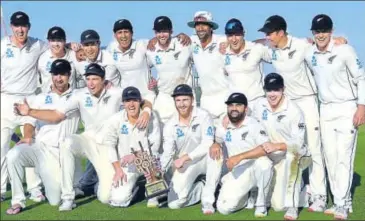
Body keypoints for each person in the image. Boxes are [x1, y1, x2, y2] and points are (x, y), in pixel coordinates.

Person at [13, 63, 153, 211]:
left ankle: (129, 183)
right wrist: (29, 112)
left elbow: (144, 98)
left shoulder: (116, 92)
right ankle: (68, 197)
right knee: (67, 143)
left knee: (105, 198)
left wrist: (146, 111)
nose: (91, 83)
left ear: (103, 80)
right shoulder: (79, 95)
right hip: (87, 140)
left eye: (95, 79)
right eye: (88, 79)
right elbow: (56, 115)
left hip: (107, 147)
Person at [305, 14, 365, 220]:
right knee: (330, 157)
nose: (321, 35)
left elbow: (361, 77)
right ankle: (341, 200)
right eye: (317, 31)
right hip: (326, 110)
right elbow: (282, 44)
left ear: (331, 31)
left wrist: (361, 106)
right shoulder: (309, 51)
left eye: (324, 31)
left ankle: (342, 203)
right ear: (312, 33)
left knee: (343, 157)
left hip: (347, 108)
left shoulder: (345, 50)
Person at [6, 59, 83, 215]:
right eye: (55, 74)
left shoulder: (77, 95)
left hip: (64, 152)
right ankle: (17, 201)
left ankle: (67, 185)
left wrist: (107, 83)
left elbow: (55, 116)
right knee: (13, 154)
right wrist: (27, 136)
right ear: (51, 75)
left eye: (62, 74)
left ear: (69, 75)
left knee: (55, 200)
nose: (58, 78)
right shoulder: (40, 98)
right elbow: (29, 122)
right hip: (41, 149)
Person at [1, 11, 50, 203]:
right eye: (16, 26)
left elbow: (57, 47)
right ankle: (1, 188)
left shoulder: (37, 45)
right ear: (12, 27)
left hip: (28, 101)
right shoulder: (3, 45)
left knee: (29, 143)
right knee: (1, 146)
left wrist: (72, 45)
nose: (20, 29)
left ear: (28, 27)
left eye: (23, 26)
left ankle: (34, 188)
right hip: (5, 100)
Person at [250, 73, 312, 220]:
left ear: (283, 89)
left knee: (281, 205)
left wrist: (277, 145)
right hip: (270, 155)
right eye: (269, 90)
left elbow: (298, 143)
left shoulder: (294, 110)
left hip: (292, 154)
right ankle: (257, 192)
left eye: (276, 90)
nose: (272, 94)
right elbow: (250, 123)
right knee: (276, 204)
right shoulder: (259, 105)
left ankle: (297, 201)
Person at [208, 92, 273, 217]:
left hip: (255, 167)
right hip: (238, 172)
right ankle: (246, 196)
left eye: (238, 105)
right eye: (231, 105)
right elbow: (218, 139)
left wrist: (240, 157)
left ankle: (261, 203)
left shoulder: (254, 124)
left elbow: (265, 149)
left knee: (265, 163)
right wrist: (215, 143)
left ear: (246, 108)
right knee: (223, 208)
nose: (234, 108)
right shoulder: (224, 126)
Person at [157, 84, 217, 211]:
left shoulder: (204, 115)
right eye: (178, 100)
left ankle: (208, 201)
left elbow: (208, 142)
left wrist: (186, 157)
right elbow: (168, 152)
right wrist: (159, 171)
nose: (181, 104)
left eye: (185, 100)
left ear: (192, 100)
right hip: (186, 164)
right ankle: (201, 187)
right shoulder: (170, 125)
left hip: (205, 159)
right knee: (174, 204)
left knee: (216, 154)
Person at [103, 86, 161, 208]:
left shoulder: (151, 117)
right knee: (119, 201)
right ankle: (139, 186)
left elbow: (155, 146)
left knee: (158, 197)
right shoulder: (115, 119)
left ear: (140, 101)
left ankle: (153, 190)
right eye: (127, 101)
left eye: (134, 100)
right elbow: (110, 146)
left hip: (149, 162)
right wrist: (118, 169)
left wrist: (136, 155)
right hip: (127, 166)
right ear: (123, 103)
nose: (131, 104)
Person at [146, 16, 192, 126]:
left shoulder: (184, 44)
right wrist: (150, 80)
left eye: (165, 31)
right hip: (164, 97)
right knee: (157, 128)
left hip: (184, 96)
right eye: (158, 32)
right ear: (154, 32)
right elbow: (142, 68)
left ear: (171, 31)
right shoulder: (151, 50)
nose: (161, 35)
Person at [222, 18, 271, 113]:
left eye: (237, 34)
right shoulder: (223, 54)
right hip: (236, 106)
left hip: (257, 103)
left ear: (243, 34)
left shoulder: (256, 48)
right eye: (230, 35)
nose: (234, 39)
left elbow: (279, 57)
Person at [106, 19, 156, 103]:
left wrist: (181, 36)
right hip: (126, 100)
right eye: (120, 32)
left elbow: (163, 43)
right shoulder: (111, 48)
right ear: (115, 35)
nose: (123, 36)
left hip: (146, 97)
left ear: (132, 33)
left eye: (126, 32)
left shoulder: (142, 44)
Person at [37, 26, 77, 93]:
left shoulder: (73, 55)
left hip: (70, 100)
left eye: (59, 40)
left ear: (65, 41)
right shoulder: (42, 58)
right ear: (48, 41)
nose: (56, 44)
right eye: (53, 41)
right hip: (48, 100)